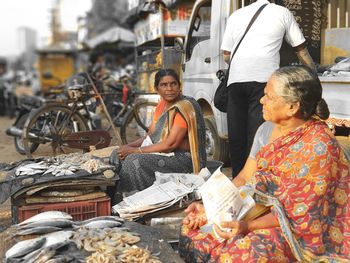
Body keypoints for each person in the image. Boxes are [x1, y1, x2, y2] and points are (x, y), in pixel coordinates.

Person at [179, 66, 350, 262]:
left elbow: (301, 216)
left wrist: (247, 226)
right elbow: (244, 177)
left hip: (295, 230)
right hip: (254, 210)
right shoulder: (265, 130)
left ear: (292, 107)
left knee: (240, 254)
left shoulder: (319, 147)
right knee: (192, 232)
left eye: (269, 96)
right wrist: (208, 208)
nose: (261, 100)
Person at [221, 0, 316, 177]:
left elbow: (226, 55)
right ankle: (257, 183)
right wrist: (313, 71)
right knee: (259, 133)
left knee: (236, 135)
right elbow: (300, 48)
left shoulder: (236, 15)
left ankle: (238, 182)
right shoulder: (282, 12)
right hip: (264, 82)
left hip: (235, 80)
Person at [110, 69, 207, 202]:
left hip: (185, 160)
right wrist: (126, 147)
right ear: (156, 88)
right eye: (164, 85)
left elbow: (170, 145)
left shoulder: (184, 107)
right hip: (165, 153)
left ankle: (137, 203)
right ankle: (115, 201)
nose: (169, 89)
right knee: (116, 154)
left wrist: (134, 151)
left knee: (133, 161)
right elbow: (149, 137)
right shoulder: (162, 105)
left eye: (173, 84)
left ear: (179, 86)